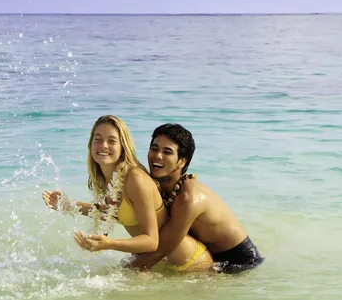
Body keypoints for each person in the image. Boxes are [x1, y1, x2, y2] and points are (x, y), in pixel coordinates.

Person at [42, 115, 213, 273]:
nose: (103, 146)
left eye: (112, 141)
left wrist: (109, 244)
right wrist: (67, 204)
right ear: (90, 144)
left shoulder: (135, 179)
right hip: (161, 263)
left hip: (193, 265)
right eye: (98, 139)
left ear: (123, 146)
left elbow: (152, 241)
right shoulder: (108, 178)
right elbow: (111, 212)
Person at [130, 123, 264, 274]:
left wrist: (119, 275)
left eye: (167, 152)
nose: (158, 155)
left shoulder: (189, 199)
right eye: (154, 149)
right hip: (209, 254)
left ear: (182, 161)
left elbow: (159, 251)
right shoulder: (161, 187)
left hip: (238, 261)